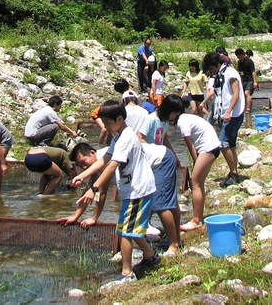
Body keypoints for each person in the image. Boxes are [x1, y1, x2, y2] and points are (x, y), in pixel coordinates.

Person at [76, 101, 160, 283]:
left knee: (125, 232)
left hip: (139, 190)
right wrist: (82, 176)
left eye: (107, 123)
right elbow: (103, 160)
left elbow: (113, 164)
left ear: (120, 119)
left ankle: (127, 273)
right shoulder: (118, 137)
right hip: (133, 189)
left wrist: (94, 188)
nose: (105, 127)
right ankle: (150, 255)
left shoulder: (126, 137)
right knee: (130, 228)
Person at [67, 140, 181, 256]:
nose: (84, 167)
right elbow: (91, 192)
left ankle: (174, 245)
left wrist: (94, 218)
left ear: (92, 153)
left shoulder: (106, 158)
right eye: (80, 166)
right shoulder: (97, 168)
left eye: (84, 162)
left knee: (160, 204)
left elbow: (101, 192)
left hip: (160, 160)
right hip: (163, 157)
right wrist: (76, 216)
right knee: (168, 201)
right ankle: (176, 240)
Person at [159, 94, 219, 232]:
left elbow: (190, 145)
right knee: (198, 182)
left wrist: (196, 161)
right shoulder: (185, 118)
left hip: (208, 148)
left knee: (195, 182)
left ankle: (196, 220)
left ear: (173, 113)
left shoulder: (182, 123)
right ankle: (198, 216)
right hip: (213, 146)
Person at [203, 51, 245, 186]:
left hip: (233, 114)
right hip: (227, 113)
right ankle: (234, 172)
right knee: (230, 144)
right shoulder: (221, 74)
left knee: (222, 143)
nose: (211, 72)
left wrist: (228, 112)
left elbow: (236, 94)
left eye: (211, 69)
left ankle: (233, 173)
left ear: (216, 64)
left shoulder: (230, 73)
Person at [234, 48, 258, 114]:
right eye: (238, 57)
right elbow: (238, 71)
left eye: (241, 57)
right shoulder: (239, 62)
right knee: (244, 95)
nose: (240, 58)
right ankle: (245, 107)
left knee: (247, 93)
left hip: (250, 80)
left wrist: (255, 82)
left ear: (243, 55)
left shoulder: (249, 61)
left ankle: (248, 109)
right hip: (243, 80)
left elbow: (253, 72)